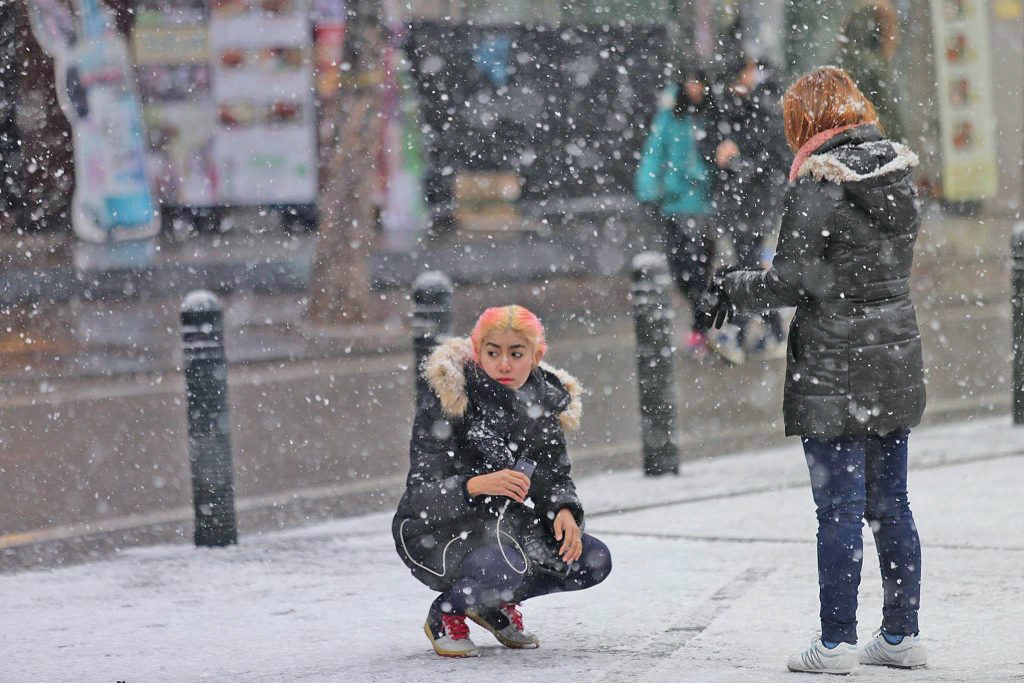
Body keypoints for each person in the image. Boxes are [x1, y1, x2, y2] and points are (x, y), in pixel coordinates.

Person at [699, 66, 927, 674]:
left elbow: (792, 281)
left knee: (839, 509)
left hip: (833, 363)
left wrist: (733, 284)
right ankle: (902, 633)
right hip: (894, 355)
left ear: (807, 121)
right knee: (892, 504)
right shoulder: (897, 176)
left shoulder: (818, 184)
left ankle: (835, 643)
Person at [393, 305, 612, 658]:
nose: (504, 364)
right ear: (477, 353)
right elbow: (420, 496)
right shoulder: (451, 401)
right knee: (504, 566)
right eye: (493, 352)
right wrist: (475, 484)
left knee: (592, 559)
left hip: (501, 525)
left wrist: (563, 510)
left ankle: (490, 602)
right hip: (436, 529)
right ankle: (447, 613)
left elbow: (553, 477)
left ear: (536, 355)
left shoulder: (541, 404)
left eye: (516, 353)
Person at [701, 51, 791, 364]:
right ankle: (775, 333)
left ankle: (734, 334)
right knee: (749, 268)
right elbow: (711, 144)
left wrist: (738, 162)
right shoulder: (728, 106)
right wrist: (717, 154)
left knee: (747, 269)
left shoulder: (766, 103)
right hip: (738, 203)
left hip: (758, 202)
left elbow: (775, 160)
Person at [635, 63, 716, 355]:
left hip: (704, 208)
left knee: (700, 271)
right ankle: (701, 323)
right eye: (691, 82)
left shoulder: (712, 118)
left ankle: (700, 329)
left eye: (700, 83)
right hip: (674, 206)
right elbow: (654, 154)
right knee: (681, 270)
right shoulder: (670, 119)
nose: (695, 89)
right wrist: (649, 189)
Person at [834, 0, 905, 143]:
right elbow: (887, 125)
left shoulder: (839, 62)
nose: (897, 39)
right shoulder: (873, 69)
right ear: (882, 30)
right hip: (876, 157)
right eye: (893, 29)